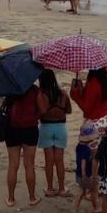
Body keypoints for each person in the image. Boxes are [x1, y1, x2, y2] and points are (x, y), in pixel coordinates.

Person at [37, 69, 73, 197]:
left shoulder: (41, 95)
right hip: (60, 127)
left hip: (46, 127)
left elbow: (41, 112)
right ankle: (62, 188)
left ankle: (50, 188)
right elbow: (69, 110)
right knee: (59, 160)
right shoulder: (62, 94)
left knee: (49, 161)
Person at [5, 83, 41, 207]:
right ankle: (32, 197)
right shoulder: (35, 90)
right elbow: (41, 109)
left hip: (12, 128)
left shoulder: (10, 88)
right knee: (29, 165)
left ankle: (10, 198)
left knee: (13, 165)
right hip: (30, 128)